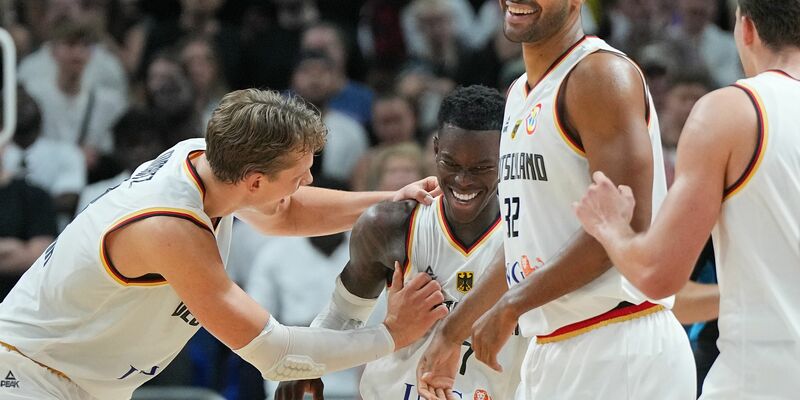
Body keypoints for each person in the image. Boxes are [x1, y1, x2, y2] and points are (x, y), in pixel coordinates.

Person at [0, 89, 447, 400]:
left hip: (77, 380)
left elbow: (285, 211)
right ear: (255, 181)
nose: (309, 181)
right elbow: (275, 355)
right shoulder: (169, 228)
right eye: (299, 176)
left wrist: (388, 199)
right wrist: (391, 335)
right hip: (27, 378)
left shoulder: (207, 157)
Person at [417, 1, 696, 399]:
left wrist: (512, 306)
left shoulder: (600, 76)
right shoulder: (517, 94)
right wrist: (452, 330)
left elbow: (627, 226)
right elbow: (524, 239)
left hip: (619, 342)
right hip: (551, 347)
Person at [572, 1, 800, 398]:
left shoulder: (732, 111)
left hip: (762, 381)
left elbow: (658, 276)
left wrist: (611, 228)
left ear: (746, 30)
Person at [276, 85, 528, 400]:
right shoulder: (391, 225)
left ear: (505, 155)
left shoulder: (530, 232)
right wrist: (305, 366)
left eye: (480, 168)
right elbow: (344, 314)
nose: (463, 180)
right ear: (435, 151)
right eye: (451, 164)